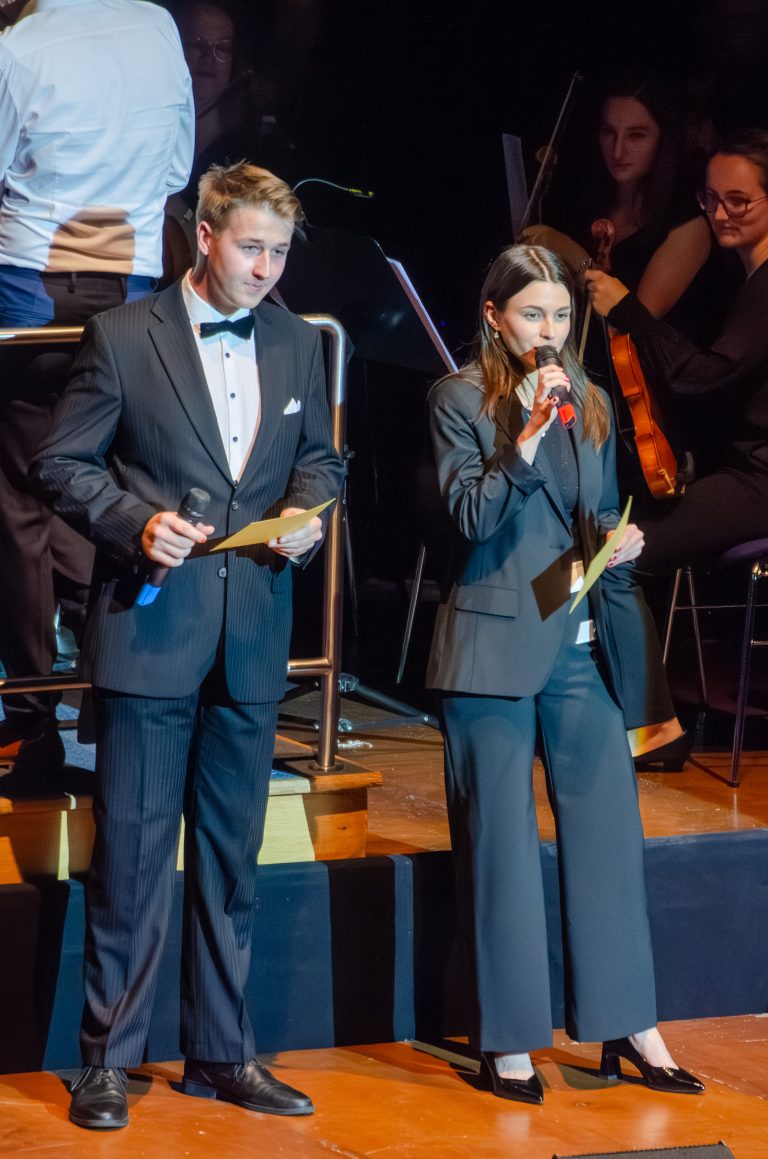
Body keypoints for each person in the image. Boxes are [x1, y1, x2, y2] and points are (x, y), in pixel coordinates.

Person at [31, 161, 345, 1130]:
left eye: (279, 252)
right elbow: (61, 462)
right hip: (152, 629)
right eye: (251, 247)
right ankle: (109, 1059)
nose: (266, 268)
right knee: (130, 856)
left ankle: (222, 1051)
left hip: (250, 634)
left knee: (231, 859)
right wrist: (136, 522)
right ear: (203, 236)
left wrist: (308, 516)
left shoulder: (295, 339)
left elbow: (321, 460)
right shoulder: (125, 337)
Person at [426, 244, 703, 1104]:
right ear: (494, 317)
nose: (548, 331)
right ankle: (508, 1039)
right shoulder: (459, 398)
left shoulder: (591, 400)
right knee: (500, 845)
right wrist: (526, 436)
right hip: (491, 646)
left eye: (559, 315)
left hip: (575, 639)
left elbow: (596, 512)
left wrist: (622, 542)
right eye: (531, 314)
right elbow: (470, 515)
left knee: (610, 833)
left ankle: (630, 1023)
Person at [0, 0, 194, 778]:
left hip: (33, 276)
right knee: (95, 480)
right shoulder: (156, 24)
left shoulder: (23, 42)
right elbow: (176, 171)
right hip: (130, 280)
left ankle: (30, 716)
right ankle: (115, 701)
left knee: (21, 498)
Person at [585, 129, 768, 572]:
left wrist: (628, 311)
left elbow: (705, 377)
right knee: (606, 524)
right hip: (739, 470)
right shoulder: (745, 278)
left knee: (613, 548)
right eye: (710, 199)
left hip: (758, 481)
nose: (720, 214)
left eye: (738, 201)